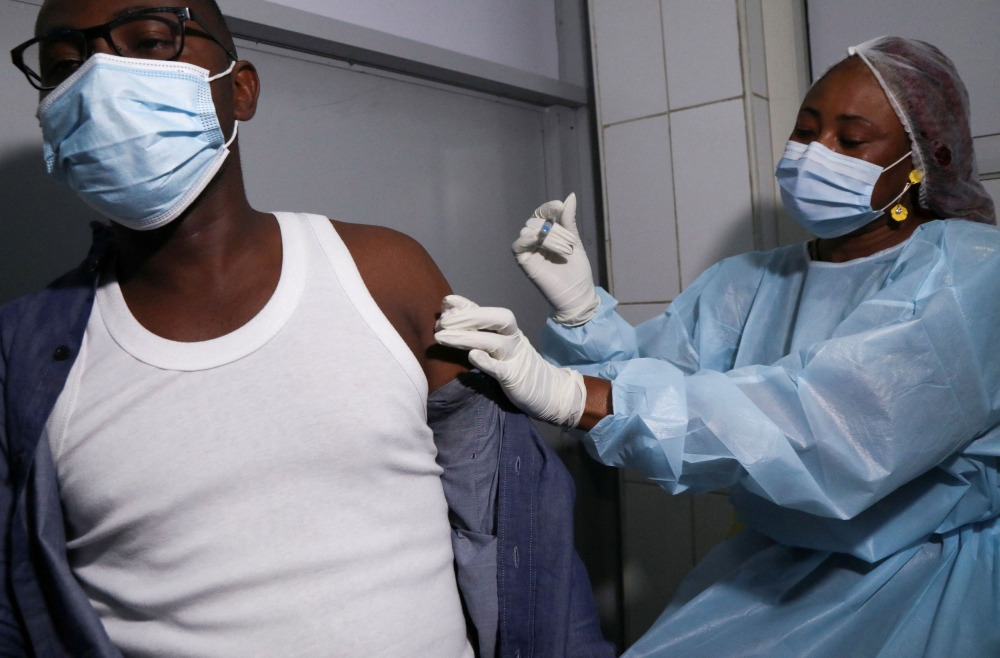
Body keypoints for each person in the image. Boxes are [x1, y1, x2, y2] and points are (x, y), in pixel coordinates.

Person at [0, 0, 614, 656]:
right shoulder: (24, 352)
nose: (102, 81)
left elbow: (521, 527)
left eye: (149, 42)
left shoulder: (384, 273)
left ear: (240, 89)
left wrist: (574, 387)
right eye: (64, 65)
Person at [436, 36, 1000, 657]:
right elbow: (656, 393)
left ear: (926, 159)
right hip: (773, 570)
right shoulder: (751, 281)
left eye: (851, 139)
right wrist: (583, 314)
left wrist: (574, 393)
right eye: (805, 131)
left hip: (925, 580)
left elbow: (835, 426)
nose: (815, 155)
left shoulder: (969, 270)